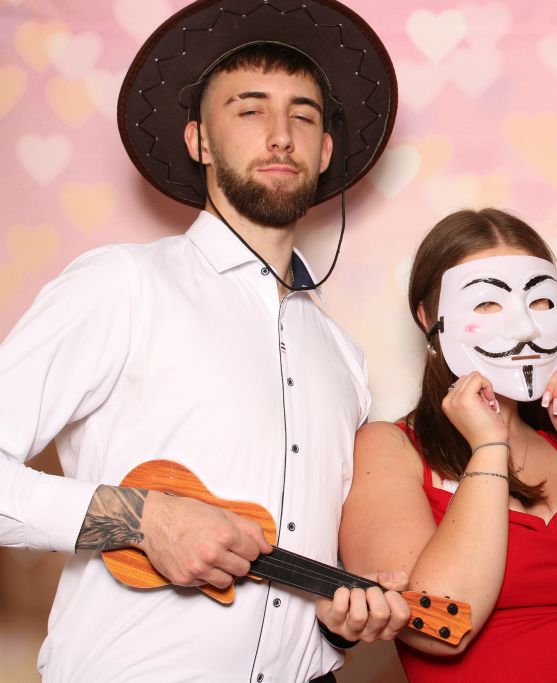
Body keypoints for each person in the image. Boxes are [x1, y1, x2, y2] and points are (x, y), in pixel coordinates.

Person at [0, 1, 409, 680]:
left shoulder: (344, 357)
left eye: (304, 116)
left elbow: (302, 573)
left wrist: (338, 622)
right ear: (200, 141)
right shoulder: (123, 285)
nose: (280, 136)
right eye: (249, 110)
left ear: (325, 150)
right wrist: (142, 519)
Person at [339, 208, 557, 681]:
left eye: (541, 301)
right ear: (428, 318)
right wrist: (489, 447)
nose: (524, 328)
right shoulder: (389, 449)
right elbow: (438, 627)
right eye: (487, 303)